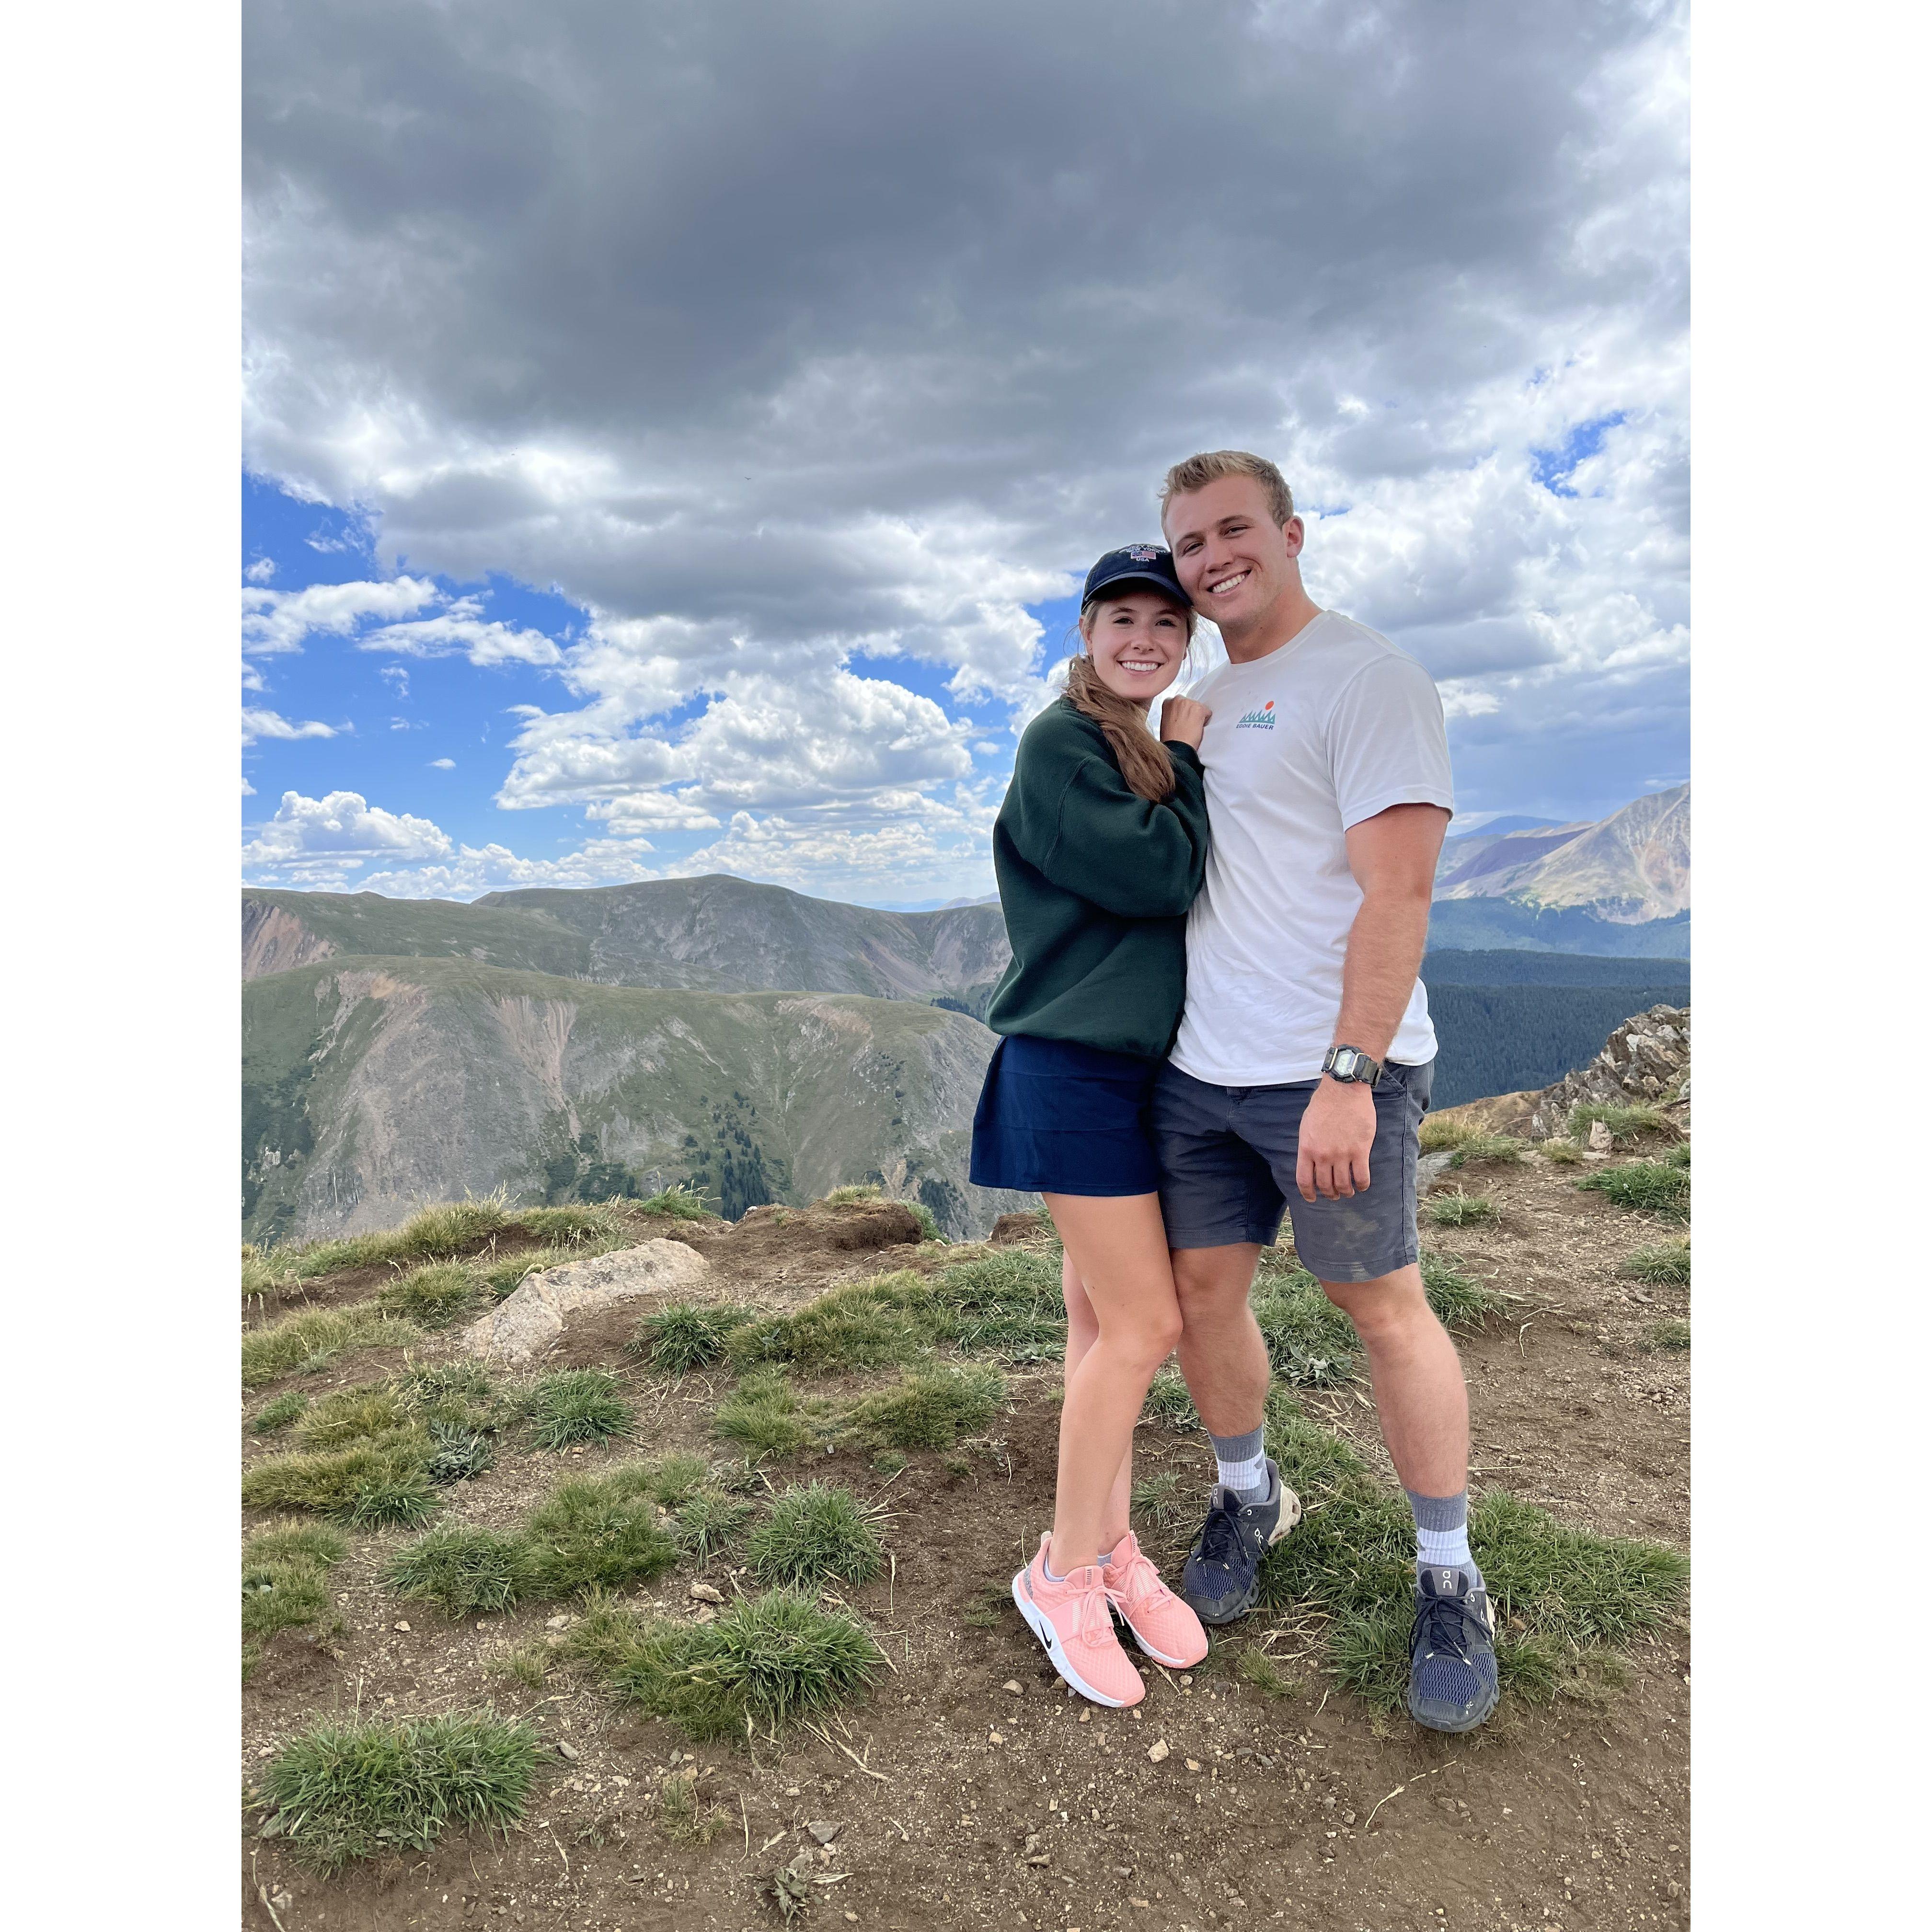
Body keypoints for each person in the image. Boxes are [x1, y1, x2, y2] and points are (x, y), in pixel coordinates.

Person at [1151, 449, 1497, 1735]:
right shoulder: (1204, 697)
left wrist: (1351, 1074)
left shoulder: (1368, 677)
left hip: (1328, 1071)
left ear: (1291, 534)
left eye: (1234, 529)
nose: (1213, 558)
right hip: (1202, 1070)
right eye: (1190, 543)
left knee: (1381, 1307)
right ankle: (1251, 1495)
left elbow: (1399, 889)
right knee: (1203, 1297)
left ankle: (1450, 1576)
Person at [970, 543, 1215, 1709]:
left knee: (1099, 1322)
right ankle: (1062, 1574)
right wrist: (1190, 757)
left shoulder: (1123, 742)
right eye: (1124, 618)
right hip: (1072, 1070)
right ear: (1085, 629)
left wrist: (1170, 751)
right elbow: (1160, 877)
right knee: (1146, 1324)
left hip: (1126, 1072)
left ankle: (1111, 1548)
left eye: (1166, 624)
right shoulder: (1063, 743)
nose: (1145, 639)